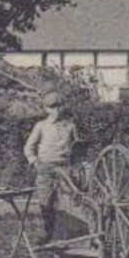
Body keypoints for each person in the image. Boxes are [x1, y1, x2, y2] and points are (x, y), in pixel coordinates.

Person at [24, 90, 81, 243]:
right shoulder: (41, 126)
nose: (56, 111)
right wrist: (33, 160)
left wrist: (76, 166)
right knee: (45, 202)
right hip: (46, 169)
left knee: (67, 203)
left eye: (58, 107)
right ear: (46, 109)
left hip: (64, 169)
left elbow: (77, 149)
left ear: (62, 108)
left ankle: (66, 237)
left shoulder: (70, 126)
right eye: (52, 107)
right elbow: (29, 147)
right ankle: (48, 235)